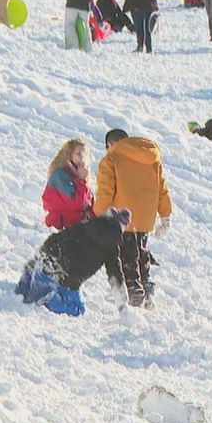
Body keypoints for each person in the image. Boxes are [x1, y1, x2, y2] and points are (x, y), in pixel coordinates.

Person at [94, 128, 172, 309]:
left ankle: (133, 289)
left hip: (122, 217)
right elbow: (162, 189)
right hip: (146, 217)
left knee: (126, 254)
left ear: (110, 145)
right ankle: (147, 289)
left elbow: (105, 192)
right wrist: (165, 216)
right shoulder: (151, 159)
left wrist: (98, 214)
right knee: (141, 251)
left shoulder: (111, 159)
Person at [42, 138, 94, 230]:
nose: (83, 158)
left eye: (85, 154)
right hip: (62, 227)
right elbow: (77, 204)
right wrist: (82, 181)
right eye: (79, 154)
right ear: (69, 155)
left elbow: (90, 205)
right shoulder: (59, 175)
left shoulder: (79, 176)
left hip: (78, 226)